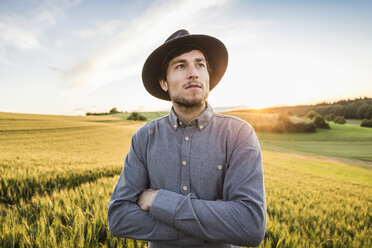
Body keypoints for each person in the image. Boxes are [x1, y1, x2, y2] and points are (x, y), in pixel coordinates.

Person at [108, 29, 266, 248]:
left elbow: (250, 226)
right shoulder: (144, 138)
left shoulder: (239, 133)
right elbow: (119, 218)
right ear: (164, 82)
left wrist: (157, 201)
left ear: (208, 76)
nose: (194, 73)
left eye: (200, 64)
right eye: (181, 66)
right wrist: (214, 224)